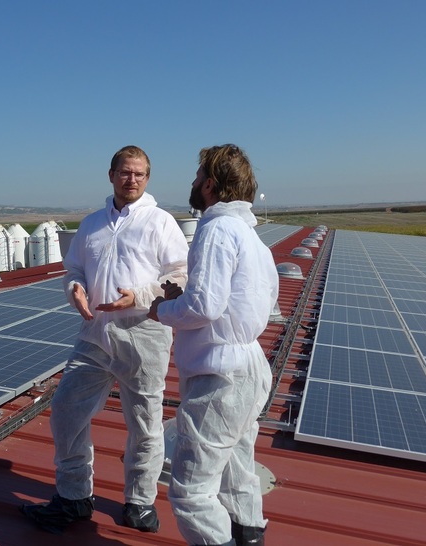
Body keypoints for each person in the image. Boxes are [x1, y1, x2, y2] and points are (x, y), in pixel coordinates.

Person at [20, 145, 189, 535]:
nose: (132, 180)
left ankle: (140, 502)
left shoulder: (161, 223)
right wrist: (75, 288)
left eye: (140, 174)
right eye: (125, 172)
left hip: (144, 334)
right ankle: (74, 497)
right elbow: (74, 268)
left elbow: (180, 276)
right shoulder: (92, 224)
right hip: (94, 333)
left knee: (145, 423)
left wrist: (141, 295)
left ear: (148, 179)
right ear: (111, 174)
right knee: (65, 411)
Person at [148, 144, 278, 546]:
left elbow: (204, 306)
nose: (191, 182)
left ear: (209, 185)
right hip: (249, 367)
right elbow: (253, 301)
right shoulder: (252, 238)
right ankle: (249, 532)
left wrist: (163, 309)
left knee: (191, 491)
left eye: (196, 175)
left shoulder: (217, 229)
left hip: (220, 375)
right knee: (238, 463)